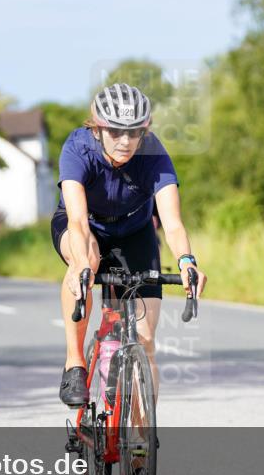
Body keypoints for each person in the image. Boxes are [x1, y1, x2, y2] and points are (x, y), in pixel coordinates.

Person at [54, 83, 208, 407]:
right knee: (86, 260)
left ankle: (140, 438)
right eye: (115, 131)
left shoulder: (154, 154)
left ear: (145, 129)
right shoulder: (77, 148)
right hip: (86, 227)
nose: (125, 141)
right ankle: (74, 363)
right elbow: (78, 222)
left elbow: (173, 223)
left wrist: (186, 261)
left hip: (136, 232)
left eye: (135, 132)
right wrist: (82, 263)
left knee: (146, 339)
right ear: (97, 128)